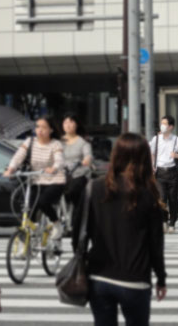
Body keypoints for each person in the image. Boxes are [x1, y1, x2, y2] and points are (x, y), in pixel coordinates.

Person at [72, 133, 167, 326]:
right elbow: (155, 244)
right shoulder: (149, 194)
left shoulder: (94, 188)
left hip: (99, 277)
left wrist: (83, 262)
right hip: (135, 279)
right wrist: (161, 278)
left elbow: (78, 234)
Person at [4, 116, 66, 239]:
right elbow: (18, 157)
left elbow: (59, 160)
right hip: (35, 180)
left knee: (43, 201)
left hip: (54, 180)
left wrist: (54, 167)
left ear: (51, 130)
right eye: (37, 127)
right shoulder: (29, 142)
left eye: (44, 127)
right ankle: (27, 240)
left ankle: (56, 223)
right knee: (28, 208)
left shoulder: (56, 144)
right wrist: (11, 169)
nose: (40, 130)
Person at [149, 115, 178, 233]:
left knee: (173, 199)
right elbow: (152, 153)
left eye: (165, 123)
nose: (162, 125)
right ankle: (164, 221)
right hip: (160, 172)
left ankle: (172, 223)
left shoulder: (177, 140)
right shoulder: (156, 139)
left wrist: (177, 155)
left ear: (171, 126)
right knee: (162, 199)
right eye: (162, 123)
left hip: (172, 172)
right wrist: (152, 166)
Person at [61, 113, 93, 222]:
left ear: (77, 125)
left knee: (74, 191)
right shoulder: (58, 142)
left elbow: (88, 155)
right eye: (65, 122)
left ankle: (76, 218)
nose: (68, 125)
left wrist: (86, 160)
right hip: (61, 174)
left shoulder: (83, 142)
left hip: (78, 173)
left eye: (71, 122)